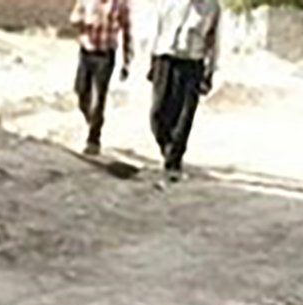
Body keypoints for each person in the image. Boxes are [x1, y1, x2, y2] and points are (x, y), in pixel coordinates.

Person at [149, 0, 220, 185]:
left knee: (184, 115)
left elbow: (214, 42)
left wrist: (209, 71)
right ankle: (167, 148)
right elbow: (158, 29)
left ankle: (173, 162)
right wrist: (152, 61)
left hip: (192, 63)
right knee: (157, 113)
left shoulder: (212, 7)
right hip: (165, 58)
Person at [70, 0, 132, 156]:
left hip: (105, 55)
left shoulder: (120, 4)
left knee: (99, 97)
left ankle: (93, 139)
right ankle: (93, 122)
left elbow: (126, 31)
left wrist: (126, 61)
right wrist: (83, 22)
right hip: (86, 51)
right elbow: (74, 19)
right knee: (81, 91)